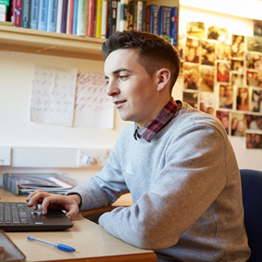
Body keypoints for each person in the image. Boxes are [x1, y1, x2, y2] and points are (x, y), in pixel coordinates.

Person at [26, 30, 250, 262]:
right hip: (149, 253)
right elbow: (105, 184)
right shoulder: (131, 134)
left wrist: (102, 217)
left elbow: (148, 229)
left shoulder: (199, 134)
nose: (109, 90)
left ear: (161, 79)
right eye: (107, 79)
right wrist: (75, 198)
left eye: (122, 76)